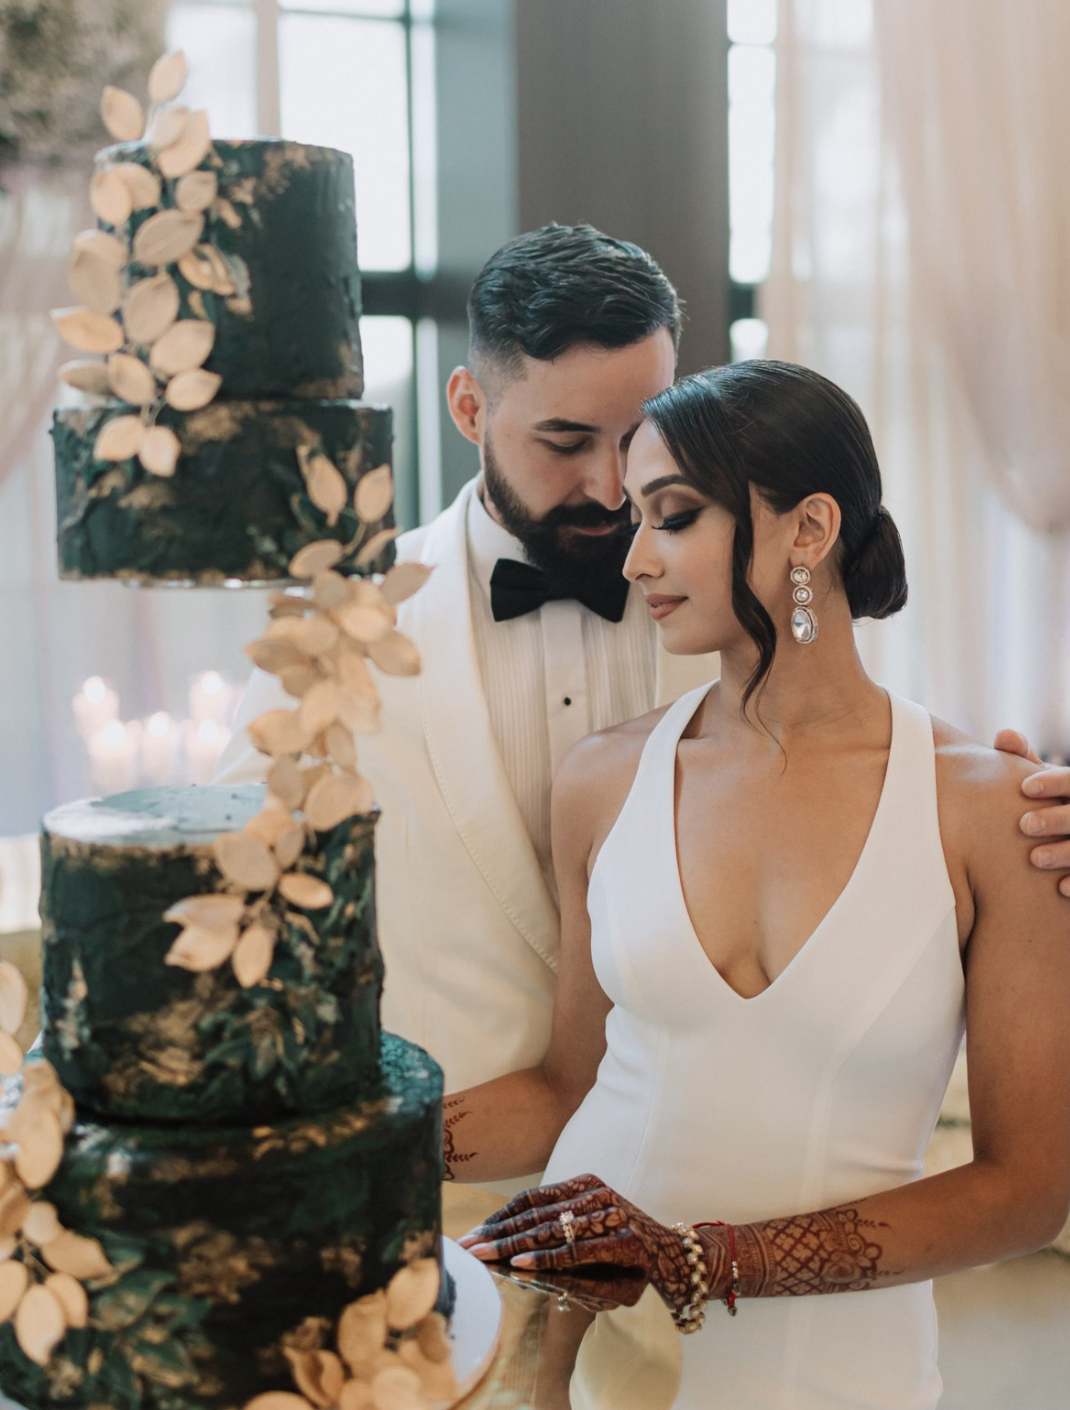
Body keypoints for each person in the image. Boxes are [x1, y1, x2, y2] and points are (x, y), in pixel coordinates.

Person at [217, 225, 1070, 1112]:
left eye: (640, 434)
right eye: (565, 441)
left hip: (708, 1194)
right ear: (470, 409)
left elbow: (877, 828)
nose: (610, 484)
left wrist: (1024, 838)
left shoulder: (754, 599)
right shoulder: (331, 636)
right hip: (444, 1189)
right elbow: (229, 908)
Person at [454, 360, 1070, 1410]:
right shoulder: (603, 782)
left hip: (831, 1407)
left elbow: (1027, 1193)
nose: (635, 557)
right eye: (637, 518)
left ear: (810, 528)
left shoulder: (995, 812)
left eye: (673, 516)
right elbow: (564, 1087)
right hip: (585, 1368)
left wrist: (697, 1261)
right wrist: (343, 1147)